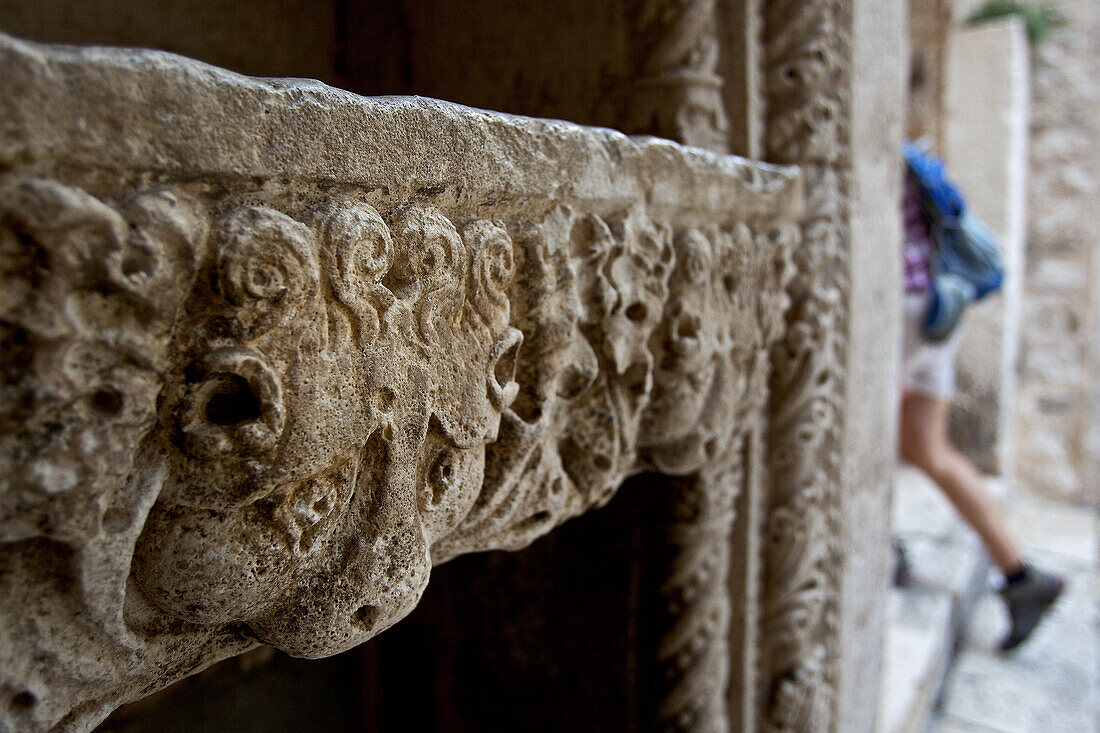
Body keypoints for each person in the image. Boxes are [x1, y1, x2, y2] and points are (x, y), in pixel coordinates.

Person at [897, 168, 1065, 652]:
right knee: (929, 449)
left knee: (864, 437)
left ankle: (881, 549)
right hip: (939, 305)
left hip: (903, 312)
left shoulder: (889, 157)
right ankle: (1020, 574)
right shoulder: (915, 162)